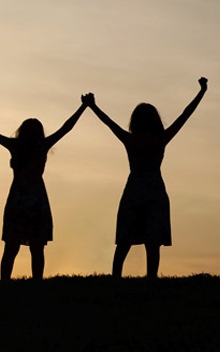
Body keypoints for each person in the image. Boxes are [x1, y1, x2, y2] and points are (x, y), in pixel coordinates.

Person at [83, 77, 208, 278]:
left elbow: (108, 123)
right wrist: (202, 92)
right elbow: (185, 115)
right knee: (152, 241)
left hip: (134, 190)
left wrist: (92, 106)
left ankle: (116, 277)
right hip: (154, 190)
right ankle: (151, 277)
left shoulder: (130, 139)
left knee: (125, 239)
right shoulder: (161, 139)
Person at [0, 99, 88, 280]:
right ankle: (36, 281)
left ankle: (5, 282)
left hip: (18, 198)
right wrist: (84, 106)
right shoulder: (42, 145)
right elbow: (66, 128)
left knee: (12, 246)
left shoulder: (16, 146)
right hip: (36, 198)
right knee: (36, 247)